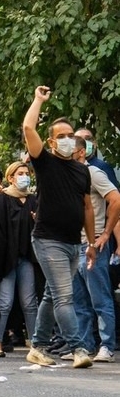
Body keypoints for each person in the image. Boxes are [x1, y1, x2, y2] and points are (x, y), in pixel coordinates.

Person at [22, 86, 95, 369]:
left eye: (70, 136)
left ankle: (38, 346)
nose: (67, 140)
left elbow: (87, 207)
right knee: (65, 296)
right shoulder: (45, 162)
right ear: (51, 142)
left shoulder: (81, 170)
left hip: (73, 242)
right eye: (61, 136)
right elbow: (28, 127)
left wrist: (91, 242)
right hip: (47, 239)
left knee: (53, 294)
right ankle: (78, 348)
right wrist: (38, 99)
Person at [0, 162, 39, 358]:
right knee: (4, 302)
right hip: (5, 260)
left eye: (26, 173)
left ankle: (37, 345)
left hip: (27, 258)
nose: (24, 177)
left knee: (29, 303)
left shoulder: (33, 200)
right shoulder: (0, 199)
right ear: (11, 178)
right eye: (20, 173)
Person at [71, 136, 120, 362]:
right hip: (71, 245)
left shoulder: (93, 173)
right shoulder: (67, 175)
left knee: (100, 299)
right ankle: (84, 347)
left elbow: (116, 199)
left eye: (69, 147)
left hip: (93, 244)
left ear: (81, 152)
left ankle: (107, 346)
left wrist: (107, 233)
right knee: (79, 302)